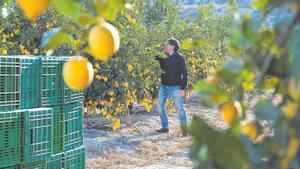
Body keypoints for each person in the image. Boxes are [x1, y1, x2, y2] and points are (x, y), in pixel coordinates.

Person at [154, 38, 188, 136]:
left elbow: (185, 74)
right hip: (164, 86)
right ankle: (165, 127)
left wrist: (182, 88)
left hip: (176, 87)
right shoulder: (165, 56)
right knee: (160, 107)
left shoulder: (179, 58)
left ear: (173, 46)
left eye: (167, 44)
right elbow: (162, 66)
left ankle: (184, 131)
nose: (165, 46)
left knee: (180, 109)